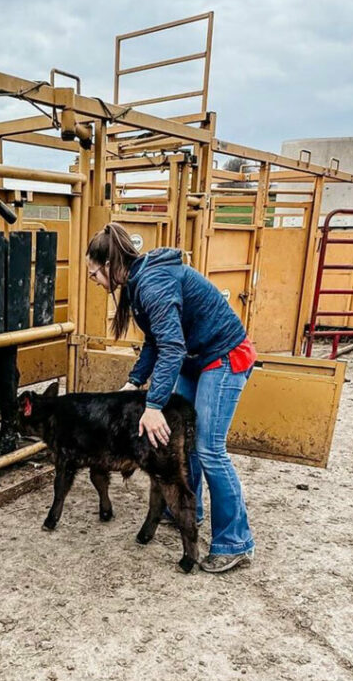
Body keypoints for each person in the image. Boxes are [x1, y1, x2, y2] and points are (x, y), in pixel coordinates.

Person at [86, 223, 256, 573]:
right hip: (197, 358)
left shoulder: (152, 284)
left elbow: (172, 347)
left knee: (210, 448)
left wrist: (152, 406)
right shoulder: (137, 283)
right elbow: (154, 341)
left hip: (223, 356)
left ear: (108, 264)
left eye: (93, 273)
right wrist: (134, 383)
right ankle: (187, 511)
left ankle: (235, 541)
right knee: (185, 444)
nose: (93, 280)